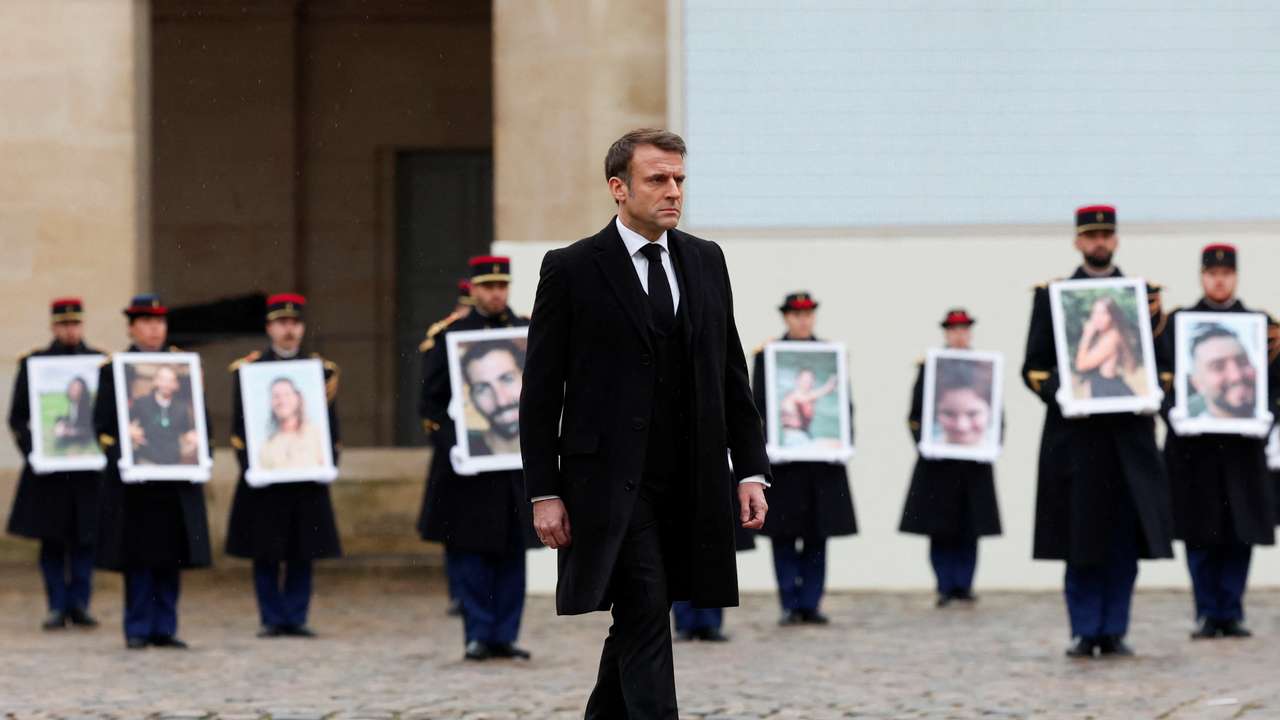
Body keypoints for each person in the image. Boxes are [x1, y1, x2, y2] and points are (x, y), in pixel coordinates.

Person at [520, 128, 770, 718]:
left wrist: (752, 469)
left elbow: (730, 372)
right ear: (618, 187)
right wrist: (543, 490)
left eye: (680, 179)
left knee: (640, 617)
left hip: (689, 479)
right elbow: (540, 392)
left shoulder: (706, 261)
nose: (673, 192)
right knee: (645, 606)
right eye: (658, 179)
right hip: (608, 485)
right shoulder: (572, 268)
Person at [1021, 206, 1174, 659]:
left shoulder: (1142, 297)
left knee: (1123, 540)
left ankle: (1115, 629)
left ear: (1117, 240)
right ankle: (1085, 629)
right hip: (1077, 441)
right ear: (1077, 242)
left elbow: (1162, 366)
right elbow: (1033, 367)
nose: (1099, 243)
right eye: (1091, 236)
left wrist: (1153, 393)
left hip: (1128, 441)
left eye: (1106, 235)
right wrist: (1061, 392)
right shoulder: (1053, 296)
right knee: (1080, 538)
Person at [417, 255, 540, 661]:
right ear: (472, 289)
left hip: (514, 467)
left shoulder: (526, 330)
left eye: (501, 286)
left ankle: (504, 634)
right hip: (468, 469)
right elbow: (431, 405)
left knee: (512, 553)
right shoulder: (450, 335)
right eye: (487, 287)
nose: (495, 294)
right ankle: (477, 633)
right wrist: (456, 444)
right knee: (471, 552)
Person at [1157, 245, 1278, 639]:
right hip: (1194, 452)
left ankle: (1232, 610)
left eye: (1226, 273)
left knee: (1239, 533)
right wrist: (1173, 411)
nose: (1219, 280)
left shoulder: (1263, 326)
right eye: (1212, 273)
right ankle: (1207, 611)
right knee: (1200, 533)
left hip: (1243, 450)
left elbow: (1275, 385)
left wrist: (1269, 416)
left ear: (1236, 277)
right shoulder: (1177, 324)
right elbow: (1158, 376)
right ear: (1202, 276)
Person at [93, 294, 212, 650]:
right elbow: (101, 425)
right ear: (132, 327)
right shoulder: (114, 368)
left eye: (159, 322)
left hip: (174, 480)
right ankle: (138, 627)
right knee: (138, 557)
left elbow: (200, 420)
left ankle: (166, 626)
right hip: (137, 482)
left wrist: (197, 445)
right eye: (145, 322)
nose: (153, 329)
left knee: (171, 556)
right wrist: (124, 443)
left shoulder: (185, 369)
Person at [226, 294, 342, 638]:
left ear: (303, 328)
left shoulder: (320, 371)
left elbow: (330, 424)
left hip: (306, 474)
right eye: (281, 323)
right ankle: (271, 616)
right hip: (265, 477)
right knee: (266, 551)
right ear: (269, 328)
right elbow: (239, 427)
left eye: (294, 323)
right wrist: (250, 466)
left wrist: (330, 461)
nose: (288, 330)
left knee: (302, 549)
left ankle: (296, 615)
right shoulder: (249, 370)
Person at [752, 292, 856, 626]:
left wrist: (844, 443)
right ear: (786, 317)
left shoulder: (828, 354)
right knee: (782, 537)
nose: (802, 319)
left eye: (808, 314)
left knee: (817, 536)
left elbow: (843, 406)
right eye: (796, 314)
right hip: (782, 464)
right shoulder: (768, 356)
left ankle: (810, 603)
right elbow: (755, 408)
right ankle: (788, 602)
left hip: (820, 466)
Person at [6, 298, 104, 630]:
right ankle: (56, 604)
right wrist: (36, 452)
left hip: (88, 471)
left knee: (85, 540)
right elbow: (18, 418)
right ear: (53, 327)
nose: (70, 330)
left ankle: (80, 604)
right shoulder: (34, 363)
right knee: (52, 541)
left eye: (75, 324)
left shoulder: (99, 363)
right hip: (49, 472)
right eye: (63, 325)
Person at [900, 309, 1002, 606]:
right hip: (939, 463)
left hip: (974, 462)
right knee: (939, 527)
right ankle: (945, 585)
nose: (959, 335)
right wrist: (926, 444)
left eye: (964, 330)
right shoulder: (931, 367)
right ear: (946, 333)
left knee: (970, 527)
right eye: (954, 330)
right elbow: (915, 415)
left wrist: (993, 443)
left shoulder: (984, 368)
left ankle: (964, 585)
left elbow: (997, 414)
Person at [459, 339, 524, 457]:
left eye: (507, 379)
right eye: (482, 389)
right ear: (472, 399)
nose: (501, 401)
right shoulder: (467, 451)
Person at [128, 364, 197, 466]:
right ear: (155, 381)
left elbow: (186, 430)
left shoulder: (181, 407)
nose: (166, 384)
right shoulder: (142, 402)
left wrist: (192, 438)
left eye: (171, 381)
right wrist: (130, 430)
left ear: (176, 385)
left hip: (173, 461)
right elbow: (124, 423)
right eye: (163, 379)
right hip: (146, 460)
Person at [1074, 296, 1140, 398]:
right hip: (1104, 386)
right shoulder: (1104, 334)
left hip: (1108, 390)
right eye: (1094, 312)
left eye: (1103, 313)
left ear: (1113, 316)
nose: (1097, 318)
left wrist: (1086, 337)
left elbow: (1081, 366)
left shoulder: (1111, 338)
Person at [258, 378, 328, 469]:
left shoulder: (317, 433)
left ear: (298, 398)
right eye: (276, 396)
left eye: (287, 394)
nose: (282, 400)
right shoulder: (267, 446)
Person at [53, 376, 96, 451]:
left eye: (77, 389)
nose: (74, 391)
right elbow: (70, 418)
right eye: (72, 388)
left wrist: (71, 432)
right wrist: (60, 421)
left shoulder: (87, 407)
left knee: (60, 444)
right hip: (74, 432)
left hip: (83, 438)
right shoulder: (74, 404)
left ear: (83, 391)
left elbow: (89, 429)